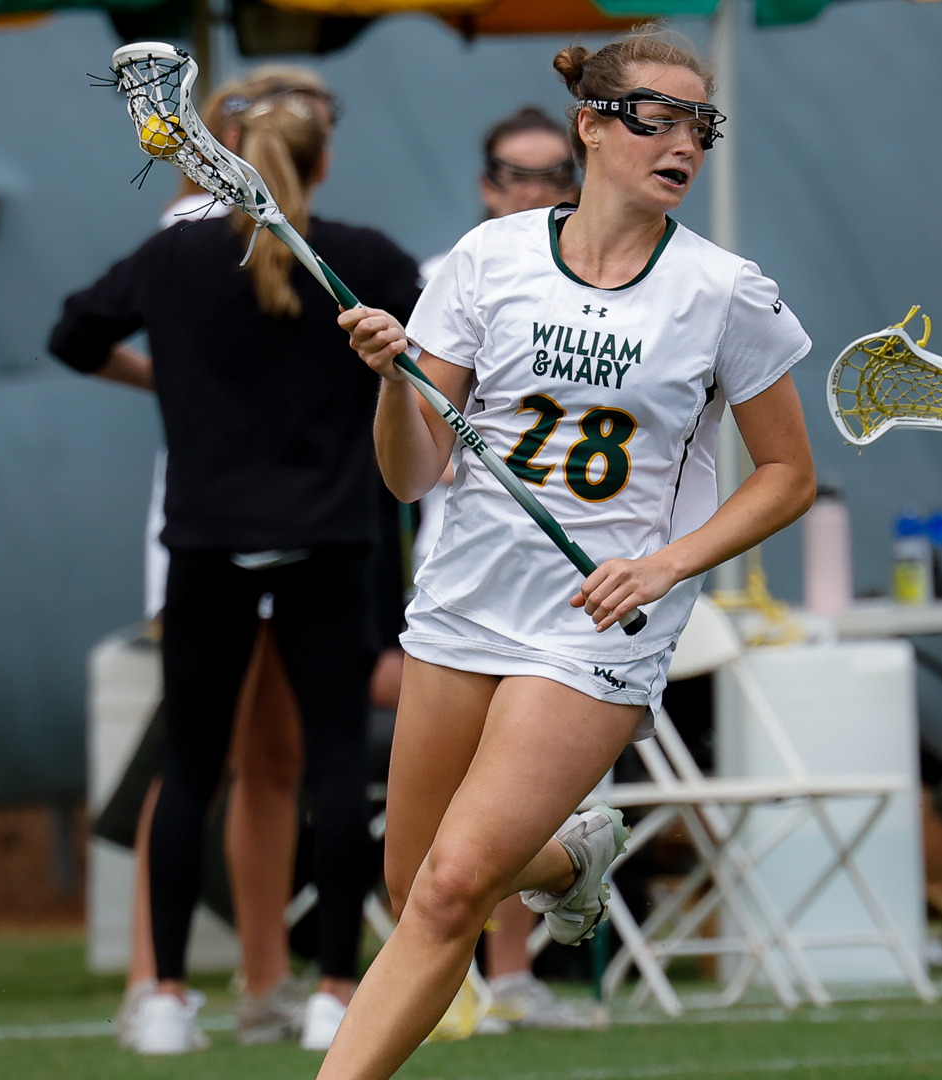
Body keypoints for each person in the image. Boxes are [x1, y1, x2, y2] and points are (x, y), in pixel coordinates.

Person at [328, 28, 816, 1080]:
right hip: (465, 603)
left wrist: (668, 564)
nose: (683, 144)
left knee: (454, 886)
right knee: (416, 888)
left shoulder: (724, 291)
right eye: (657, 119)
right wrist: (392, 383)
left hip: (596, 627)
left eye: (701, 126)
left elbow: (787, 475)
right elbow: (411, 476)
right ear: (591, 126)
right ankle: (566, 859)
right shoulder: (487, 258)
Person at [49, 65, 422, 1055]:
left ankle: (166, 999)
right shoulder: (363, 258)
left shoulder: (170, 257)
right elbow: (436, 355)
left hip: (207, 540)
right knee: (333, 770)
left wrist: (164, 382)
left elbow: (73, 334)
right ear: (322, 162)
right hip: (329, 540)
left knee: (191, 766)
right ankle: (335, 991)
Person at [414, 104, 599, 1034]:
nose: (534, 190)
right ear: (487, 185)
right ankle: (562, 869)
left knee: (502, 806)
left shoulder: (618, 287)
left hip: (565, 595)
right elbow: (413, 459)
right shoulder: (452, 274)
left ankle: (513, 973)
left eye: (551, 173)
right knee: (428, 844)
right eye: (515, 175)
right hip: (459, 581)